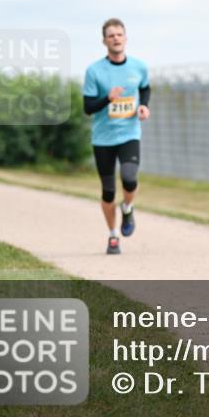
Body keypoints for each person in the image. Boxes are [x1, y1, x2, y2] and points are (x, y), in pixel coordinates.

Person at [82, 18, 151, 255]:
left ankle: (128, 207)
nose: (116, 38)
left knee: (130, 178)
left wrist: (144, 106)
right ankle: (113, 236)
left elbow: (145, 87)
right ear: (104, 41)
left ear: (125, 38)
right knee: (108, 191)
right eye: (111, 35)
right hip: (103, 138)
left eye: (119, 34)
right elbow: (88, 107)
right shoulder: (95, 71)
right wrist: (107, 99)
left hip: (129, 132)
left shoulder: (139, 67)